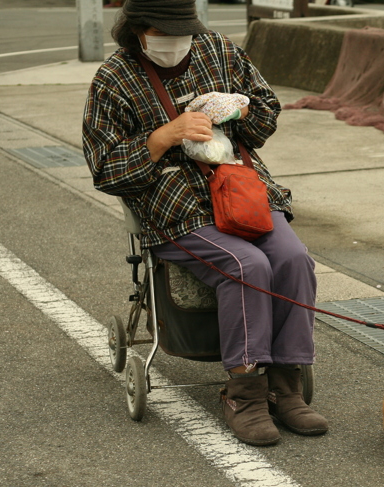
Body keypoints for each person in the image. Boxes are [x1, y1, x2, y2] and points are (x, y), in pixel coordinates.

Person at [83, 0, 327, 446]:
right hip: (174, 207)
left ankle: (286, 384)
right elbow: (105, 170)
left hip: (241, 192)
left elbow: (267, 113)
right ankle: (244, 394)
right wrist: (164, 136)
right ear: (137, 30)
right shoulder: (113, 79)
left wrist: (239, 110)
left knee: (294, 258)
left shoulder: (219, 50)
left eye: (184, 31)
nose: (176, 41)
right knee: (246, 265)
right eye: (164, 32)